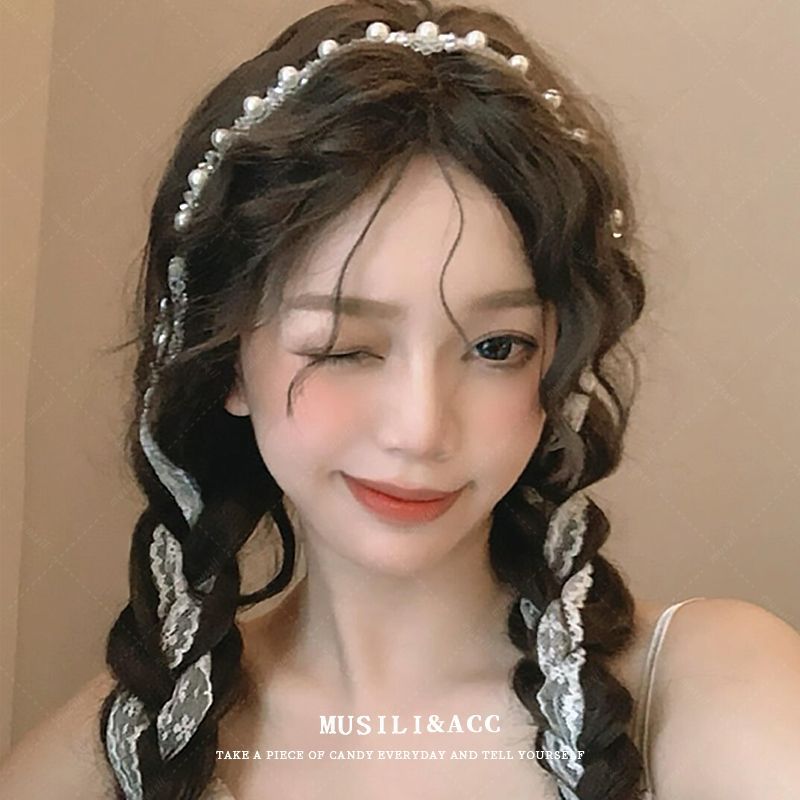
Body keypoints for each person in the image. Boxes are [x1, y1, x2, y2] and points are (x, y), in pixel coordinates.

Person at [2, 1, 799, 799]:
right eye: (345, 348)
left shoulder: (710, 692)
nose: (420, 429)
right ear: (229, 361)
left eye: (497, 348)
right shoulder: (119, 753)